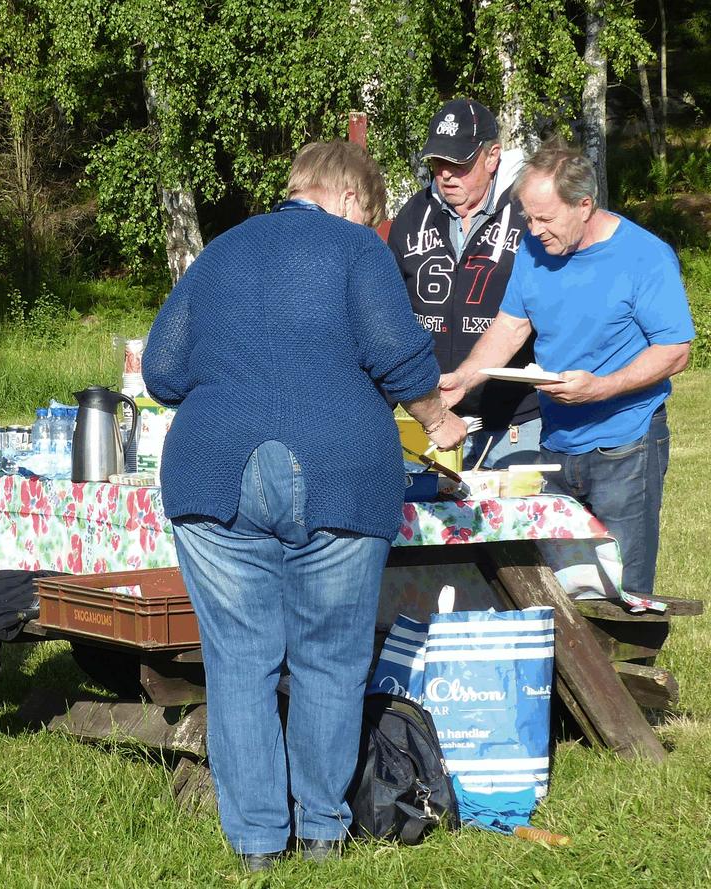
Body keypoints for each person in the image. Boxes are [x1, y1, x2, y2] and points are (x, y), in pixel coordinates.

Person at [142, 141, 465, 870]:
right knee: (330, 658)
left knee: (238, 661)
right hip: (341, 470)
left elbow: (161, 371)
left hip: (211, 470)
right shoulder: (355, 248)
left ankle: (258, 845)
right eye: (374, 214)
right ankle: (320, 831)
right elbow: (399, 353)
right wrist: (441, 423)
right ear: (352, 200)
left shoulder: (219, 251)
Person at [440, 138, 694, 598]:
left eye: (545, 218)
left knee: (623, 592)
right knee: (558, 592)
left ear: (584, 205)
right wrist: (464, 378)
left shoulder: (644, 256)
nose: (534, 231)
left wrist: (601, 388)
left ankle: (629, 670)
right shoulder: (534, 251)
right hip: (556, 445)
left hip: (627, 445)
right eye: (528, 218)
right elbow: (510, 329)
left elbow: (675, 350)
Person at [388, 98, 541, 468]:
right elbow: (389, 315)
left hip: (516, 420)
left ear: (493, 158)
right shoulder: (412, 216)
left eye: (459, 163)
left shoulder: (531, 215)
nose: (446, 174)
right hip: (435, 424)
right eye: (439, 162)